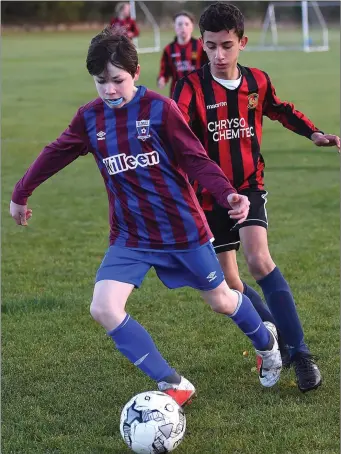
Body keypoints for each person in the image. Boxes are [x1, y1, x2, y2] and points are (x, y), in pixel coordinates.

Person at [10, 28, 283, 408]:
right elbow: (56, 152)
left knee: (222, 300)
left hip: (183, 232)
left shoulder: (160, 109)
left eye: (117, 80)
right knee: (103, 308)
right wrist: (21, 193)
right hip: (131, 237)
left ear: (135, 72)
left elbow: (195, 159)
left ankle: (267, 343)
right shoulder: (90, 118)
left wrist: (227, 194)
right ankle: (174, 384)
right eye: (100, 82)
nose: (109, 90)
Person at [173, 2, 340, 393]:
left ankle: (301, 355)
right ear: (203, 42)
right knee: (229, 282)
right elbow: (174, 130)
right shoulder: (189, 87)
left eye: (226, 45)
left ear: (242, 43)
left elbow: (279, 109)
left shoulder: (257, 82)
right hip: (207, 195)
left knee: (259, 259)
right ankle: (274, 335)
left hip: (249, 184)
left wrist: (313, 132)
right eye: (211, 46)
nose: (218, 54)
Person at [157, 11, 208, 97]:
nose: (183, 27)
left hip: (198, 91)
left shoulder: (201, 46)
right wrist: (162, 79)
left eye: (187, 24)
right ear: (175, 27)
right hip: (177, 92)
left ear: (192, 27)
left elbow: (209, 66)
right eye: (179, 24)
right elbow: (165, 70)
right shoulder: (169, 49)